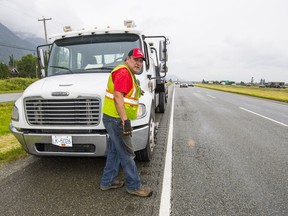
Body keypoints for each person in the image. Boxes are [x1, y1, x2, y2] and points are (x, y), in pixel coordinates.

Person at [100, 48, 153, 197]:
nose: (138, 63)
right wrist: (125, 121)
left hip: (112, 118)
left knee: (114, 151)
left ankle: (107, 181)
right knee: (127, 154)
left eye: (141, 61)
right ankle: (134, 186)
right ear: (128, 58)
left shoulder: (126, 72)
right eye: (135, 59)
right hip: (117, 120)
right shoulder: (124, 72)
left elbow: (124, 92)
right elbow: (118, 97)